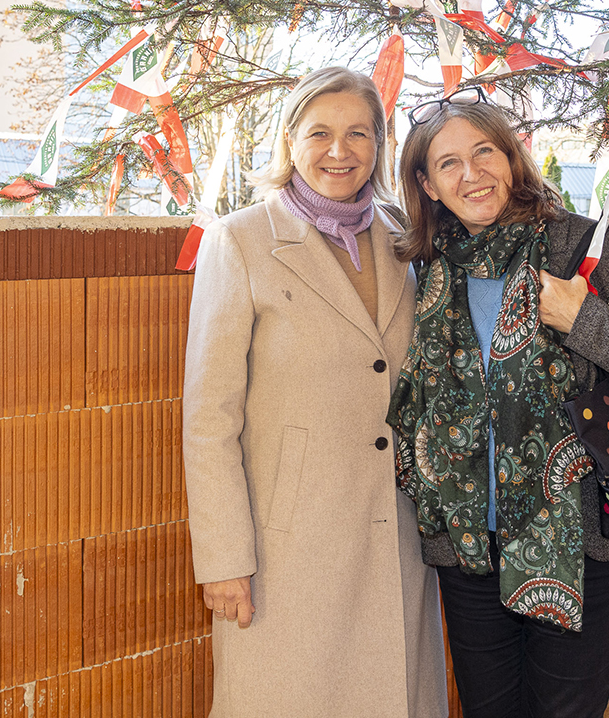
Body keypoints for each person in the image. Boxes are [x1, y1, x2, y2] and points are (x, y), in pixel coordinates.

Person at [388, 87, 609, 718]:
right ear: (428, 186)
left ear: (513, 158)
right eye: (448, 163)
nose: (472, 173)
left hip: (578, 539)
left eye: (485, 151)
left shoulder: (590, 251)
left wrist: (584, 317)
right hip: (468, 547)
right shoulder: (423, 268)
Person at [183, 67, 447, 718]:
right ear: (289, 141)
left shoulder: (408, 237)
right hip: (288, 551)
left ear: (381, 144)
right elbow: (208, 418)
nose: (340, 150)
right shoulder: (240, 242)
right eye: (320, 132)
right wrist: (223, 557)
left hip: (398, 539)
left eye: (359, 132)